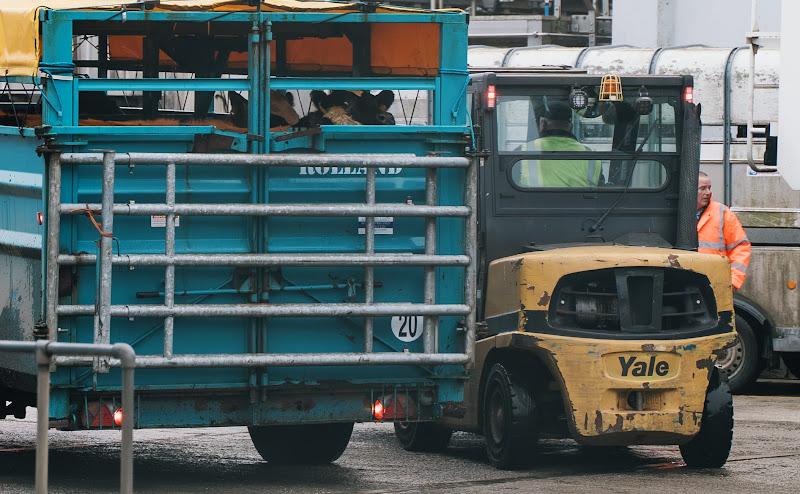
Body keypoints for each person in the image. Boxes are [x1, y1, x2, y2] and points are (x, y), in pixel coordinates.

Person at [518, 100, 601, 188]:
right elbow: (600, 191)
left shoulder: (523, 151)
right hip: (578, 202)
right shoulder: (591, 155)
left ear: (543, 123)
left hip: (533, 201)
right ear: (571, 127)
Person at [696, 172, 751, 290]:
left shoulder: (722, 212)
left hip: (716, 284)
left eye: (709, 188)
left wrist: (733, 281)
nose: (708, 193)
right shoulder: (675, 214)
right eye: (703, 188)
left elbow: (740, 248)